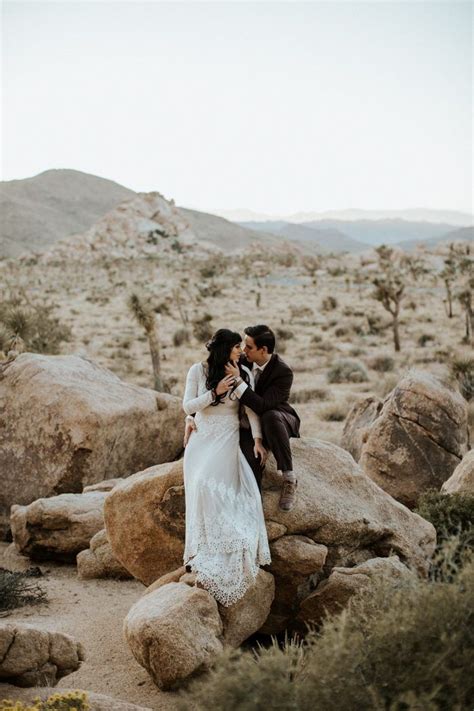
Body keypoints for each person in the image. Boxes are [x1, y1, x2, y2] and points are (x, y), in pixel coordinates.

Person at [182, 328, 271, 607]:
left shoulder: (243, 374)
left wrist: (257, 440)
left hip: (226, 437)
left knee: (214, 485)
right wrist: (214, 392)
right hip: (202, 438)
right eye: (236, 347)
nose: (240, 352)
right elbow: (187, 405)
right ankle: (202, 547)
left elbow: (251, 411)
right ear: (224, 349)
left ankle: (227, 544)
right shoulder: (198, 370)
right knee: (199, 484)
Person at [225, 324, 300, 512]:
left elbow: (262, 405)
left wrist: (239, 382)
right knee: (252, 458)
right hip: (250, 423)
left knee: (270, 416)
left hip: (279, 418)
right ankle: (252, 510)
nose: (244, 350)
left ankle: (289, 478)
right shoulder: (242, 361)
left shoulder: (283, 371)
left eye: (249, 347)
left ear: (263, 350)